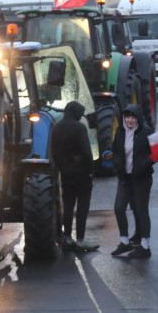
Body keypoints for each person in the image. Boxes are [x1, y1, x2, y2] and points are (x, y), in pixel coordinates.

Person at [49, 101, 99, 253]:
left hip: (65, 171)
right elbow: (86, 152)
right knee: (83, 205)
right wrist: (91, 170)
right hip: (81, 171)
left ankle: (67, 238)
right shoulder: (79, 127)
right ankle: (81, 240)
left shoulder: (57, 127)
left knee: (68, 204)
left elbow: (54, 152)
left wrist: (61, 167)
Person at [111, 104, 155, 259]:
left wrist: (142, 166)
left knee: (142, 210)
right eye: (127, 117)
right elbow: (115, 152)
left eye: (133, 117)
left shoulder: (147, 132)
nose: (130, 120)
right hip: (125, 178)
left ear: (138, 118)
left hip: (142, 178)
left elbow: (155, 154)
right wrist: (118, 166)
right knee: (118, 208)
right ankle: (124, 242)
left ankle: (145, 246)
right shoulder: (120, 132)